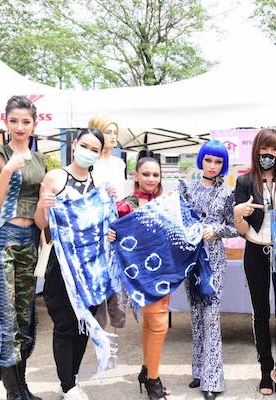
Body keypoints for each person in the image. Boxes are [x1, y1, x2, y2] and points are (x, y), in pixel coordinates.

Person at [34, 128, 108, 400]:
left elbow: (104, 226)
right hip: (62, 264)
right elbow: (41, 223)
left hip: (90, 266)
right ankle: (67, 385)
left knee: (84, 323)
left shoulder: (98, 185)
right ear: (75, 144)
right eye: (84, 146)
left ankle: (71, 378)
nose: (88, 152)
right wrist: (43, 205)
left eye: (94, 149)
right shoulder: (55, 178)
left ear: (100, 154)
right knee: (65, 324)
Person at [0, 95, 46, 400]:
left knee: (25, 317)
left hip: (30, 239)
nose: (20, 127)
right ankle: (14, 392)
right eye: (14, 121)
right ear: (5, 122)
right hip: (3, 238)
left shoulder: (41, 160)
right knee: (7, 318)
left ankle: (22, 388)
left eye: (26, 121)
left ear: (34, 124)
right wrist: (7, 170)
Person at [233, 128, 276, 400]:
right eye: (265, 148)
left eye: (274, 149)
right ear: (256, 150)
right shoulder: (244, 182)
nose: (269, 154)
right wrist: (238, 215)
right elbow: (241, 230)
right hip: (255, 251)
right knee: (260, 314)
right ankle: (265, 369)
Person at [178, 140, 237, 400]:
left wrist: (217, 229)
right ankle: (199, 370)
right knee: (196, 315)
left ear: (223, 164)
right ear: (201, 160)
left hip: (214, 260)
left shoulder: (228, 193)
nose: (212, 166)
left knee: (211, 317)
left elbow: (237, 228)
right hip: (191, 259)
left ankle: (213, 379)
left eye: (218, 161)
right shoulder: (186, 189)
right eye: (209, 160)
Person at [109, 152, 169, 400]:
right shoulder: (123, 206)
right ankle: (153, 380)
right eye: (146, 174)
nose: (151, 179)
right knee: (158, 324)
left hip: (164, 270)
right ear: (136, 175)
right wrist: (109, 234)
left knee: (152, 323)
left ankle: (147, 371)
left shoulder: (166, 203)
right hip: (140, 274)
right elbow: (108, 231)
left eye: (155, 174)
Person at [88, 115, 127, 331]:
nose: (112, 136)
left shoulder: (119, 163)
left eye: (114, 132)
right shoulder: (90, 162)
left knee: (115, 275)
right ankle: (98, 325)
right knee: (98, 276)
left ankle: (115, 321)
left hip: (116, 222)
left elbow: (121, 196)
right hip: (94, 224)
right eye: (107, 131)